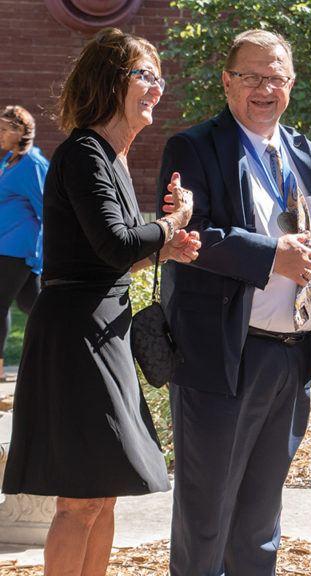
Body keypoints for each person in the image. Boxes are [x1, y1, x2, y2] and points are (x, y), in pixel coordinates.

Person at [1, 27, 200, 575]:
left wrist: (167, 249)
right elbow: (116, 243)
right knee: (81, 497)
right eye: (145, 75)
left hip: (102, 329)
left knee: (105, 490)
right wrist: (172, 223)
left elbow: (102, 257)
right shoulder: (85, 152)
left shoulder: (108, 156)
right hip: (76, 338)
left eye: (160, 78)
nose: (157, 88)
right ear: (111, 82)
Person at [159, 29, 311, 575]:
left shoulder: (302, 149)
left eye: (276, 77)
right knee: (207, 510)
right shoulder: (193, 147)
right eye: (251, 76)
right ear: (227, 81)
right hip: (226, 355)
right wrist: (270, 258)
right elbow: (188, 236)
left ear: (291, 83)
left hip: (294, 357)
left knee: (262, 515)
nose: (265, 88)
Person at [0, 105, 47, 381]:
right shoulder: (10, 159)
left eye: (5, 129)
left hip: (18, 247)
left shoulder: (33, 164)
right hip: (5, 243)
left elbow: (47, 210)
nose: (1, 134)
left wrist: (44, 254)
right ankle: (63, 340)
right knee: (32, 304)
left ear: (21, 132)